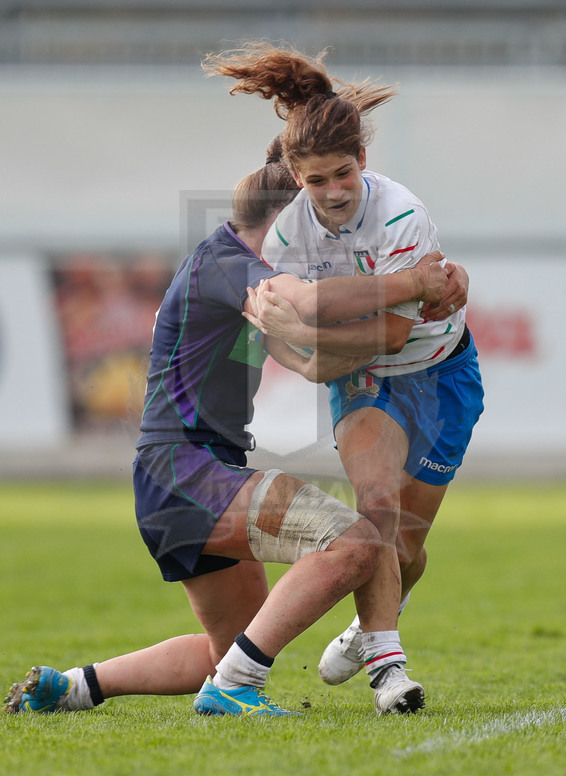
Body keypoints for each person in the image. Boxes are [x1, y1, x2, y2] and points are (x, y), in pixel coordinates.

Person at [4, 139, 450, 718]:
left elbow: (313, 361)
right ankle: (235, 689)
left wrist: (406, 328)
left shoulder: (233, 277)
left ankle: (71, 687)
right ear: (287, 216)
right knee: (357, 542)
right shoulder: (231, 264)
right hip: (188, 470)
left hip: (174, 482)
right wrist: (415, 285)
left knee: (229, 648)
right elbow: (309, 302)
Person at [204, 41, 484, 714]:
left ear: (362, 161)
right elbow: (306, 324)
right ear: (295, 175)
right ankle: (391, 673)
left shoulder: (401, 213)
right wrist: (313, 324)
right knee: (377, 512)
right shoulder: (283, 233)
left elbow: (387, 328)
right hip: (367, 381)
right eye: (315, 180)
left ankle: (367, 628)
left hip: (441, 374)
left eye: (342, 175)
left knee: (408, 546)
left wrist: (307, 323)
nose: (332, 192)